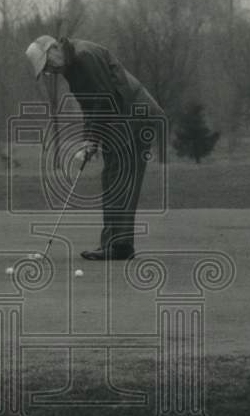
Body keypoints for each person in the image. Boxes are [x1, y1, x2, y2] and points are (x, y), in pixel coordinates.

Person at [25, 35, 165, 261]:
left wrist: (93, 138)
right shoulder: (71, 68)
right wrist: (88, 140)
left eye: (48, 65)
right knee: (111, 178)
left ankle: (119, 246)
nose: (51, 71)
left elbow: (104, 99)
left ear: (54, 49)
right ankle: (115, 244)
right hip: (121, 117)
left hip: (135, 114)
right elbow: (89, 106)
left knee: (120, 177)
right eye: (46, 70)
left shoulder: (85, 56)